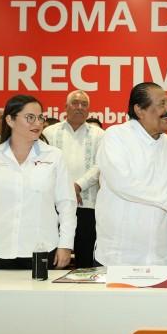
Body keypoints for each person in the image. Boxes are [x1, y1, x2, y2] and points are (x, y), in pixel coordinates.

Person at [94, 82, 167, 266]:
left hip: (161, 259)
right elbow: (123, 183)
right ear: (139, 110)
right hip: (119, 259)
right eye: (162, 104)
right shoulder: (115, 137)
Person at [0, 94, 76, 270]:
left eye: (40, 117)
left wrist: (65, 244)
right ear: (10, 120)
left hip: (42, 250)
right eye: (30, 117)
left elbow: (67, 205)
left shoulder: (54, 156)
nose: (37, 123)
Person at [43, 90, 104, 268]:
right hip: (53, 204)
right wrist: (66, 189)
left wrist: (78, 185)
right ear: (66, 107)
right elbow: (42, 164)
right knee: (53, 257)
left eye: (84, 104)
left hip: (87, 205)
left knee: (85, 258)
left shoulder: (99, 134)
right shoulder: (49, 132)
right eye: (75, 103)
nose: (79, 107)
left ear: (89, 109)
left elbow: (101, 165)